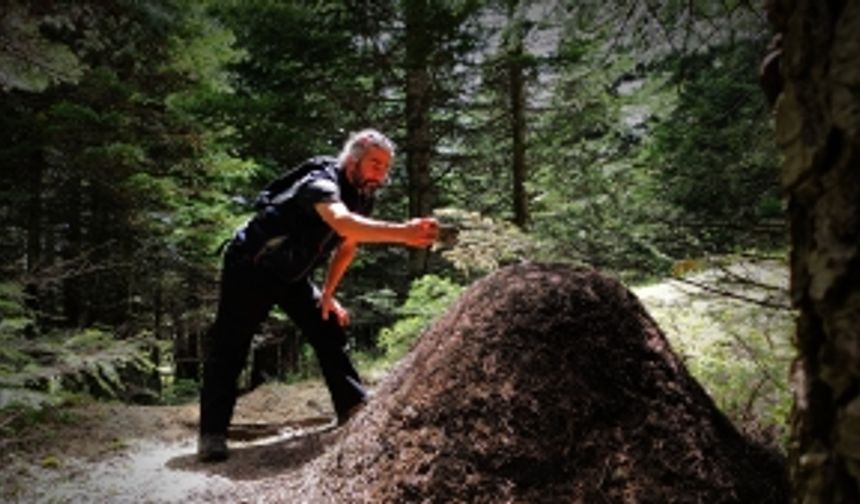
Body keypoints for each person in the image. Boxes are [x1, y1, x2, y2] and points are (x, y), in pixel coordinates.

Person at [198, 129, 438, 462]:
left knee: (328, 327)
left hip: (293, 274)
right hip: (251, 266)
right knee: (231, 346)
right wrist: (404, 234)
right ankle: (211, 434)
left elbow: (348, 245)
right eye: (374, 163)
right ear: (353, 159)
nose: (380, 173)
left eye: (385, 167)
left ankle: (354, 410)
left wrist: (327, 294)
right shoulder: (320, 182)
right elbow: (344, 224)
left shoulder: (362, 194)